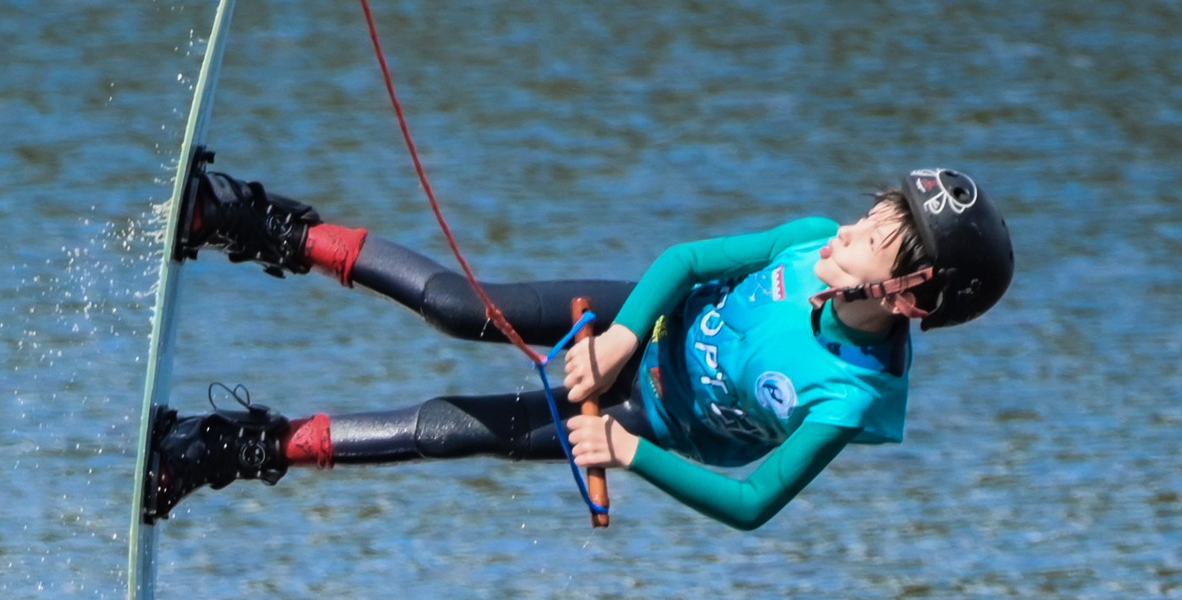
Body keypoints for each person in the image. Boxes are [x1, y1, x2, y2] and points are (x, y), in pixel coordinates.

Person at [146, 164, 1013, 530]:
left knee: (452, 430)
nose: (852, 228)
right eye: (872, 212)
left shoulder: (848, 398)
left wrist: (626, 448)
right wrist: (622, 335)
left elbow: (753, 505)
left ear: (908, 295)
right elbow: (688, 260)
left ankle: (229, 447)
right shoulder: (809, 240)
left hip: (644, 419)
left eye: (877, 238)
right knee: (457, 307)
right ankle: (245, 220)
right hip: (635, 322)